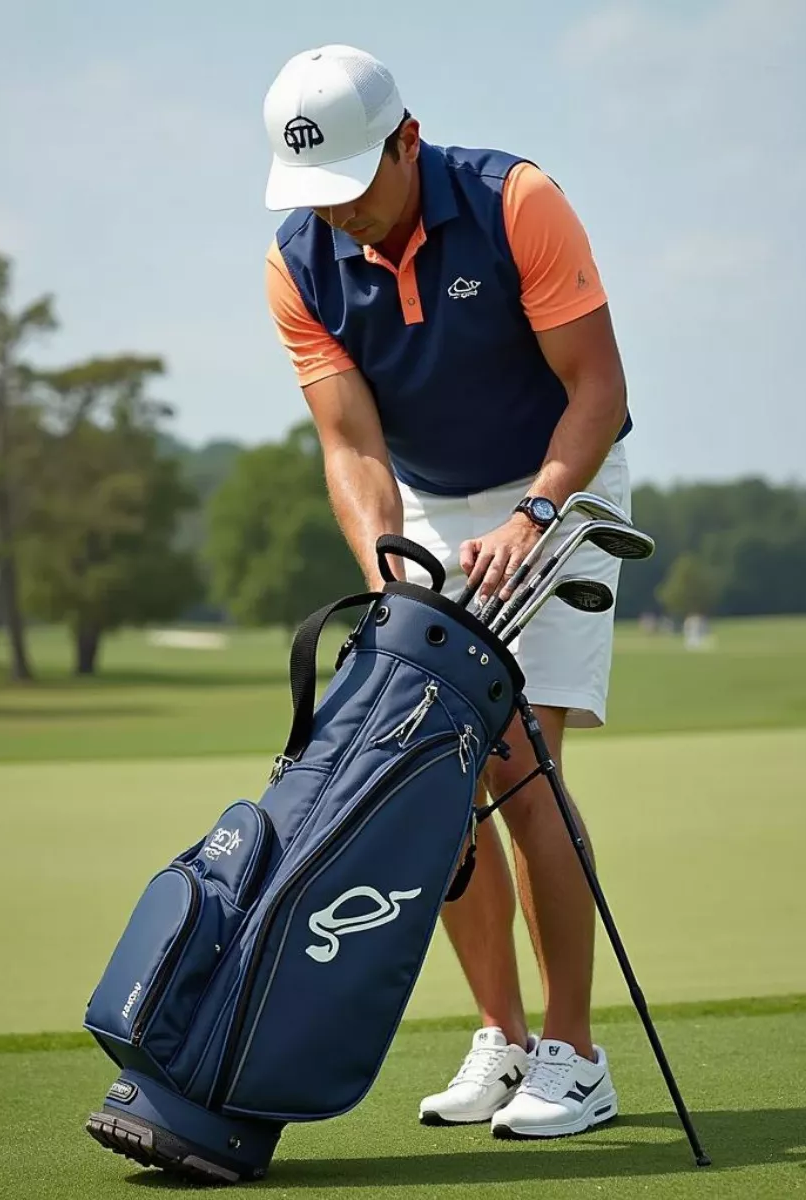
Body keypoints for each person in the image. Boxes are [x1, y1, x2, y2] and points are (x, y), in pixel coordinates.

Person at [261, 44, 633, 1140]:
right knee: (435, 772)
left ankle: (576, 1053)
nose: (339, 215)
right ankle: (503, 1041)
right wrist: (383, 564)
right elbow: (351, 446)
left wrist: (538, 515)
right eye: (315, 196)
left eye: (353, 187)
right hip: (428, 500)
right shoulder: (298, 264)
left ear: (407, 141)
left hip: (561, 472)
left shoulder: (518, 202)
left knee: (520, 763)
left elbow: (599, 386)